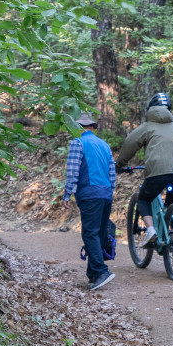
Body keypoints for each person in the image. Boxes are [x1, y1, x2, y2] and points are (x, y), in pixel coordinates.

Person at [116, 93, 173, 247]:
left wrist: (120, 164)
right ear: (169, 109)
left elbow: (130, 144)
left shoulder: (147, 127)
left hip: (157, 172)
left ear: (151, 109)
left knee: (143, 199)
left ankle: (150, 230)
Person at [62, 110, 117, 291]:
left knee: (90, 233)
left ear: (79, 128)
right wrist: (109, 191)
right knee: (99, 233)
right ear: (93, 127)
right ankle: (93, 275)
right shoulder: (105, 145)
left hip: (89, 193)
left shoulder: (78, 143)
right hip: (105, 194)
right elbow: (112, 174)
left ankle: (102, 271)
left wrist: (67, 193)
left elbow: (72, 171)